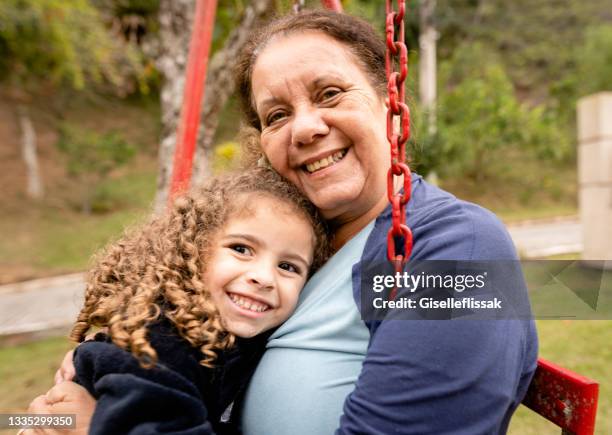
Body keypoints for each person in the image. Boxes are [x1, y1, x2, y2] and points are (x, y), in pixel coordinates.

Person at [29, 9, 538, 434]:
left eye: (330, 93)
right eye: (276, 116)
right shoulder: (286, 244)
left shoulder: (459, 246)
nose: (306, 128)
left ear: (394, 109)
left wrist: (102, 423)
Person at [26, 168, 329, 435]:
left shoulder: (236, 342)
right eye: (241, 249)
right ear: (192, 253)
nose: (264, 277)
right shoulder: (161, 342)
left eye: (288, 267)